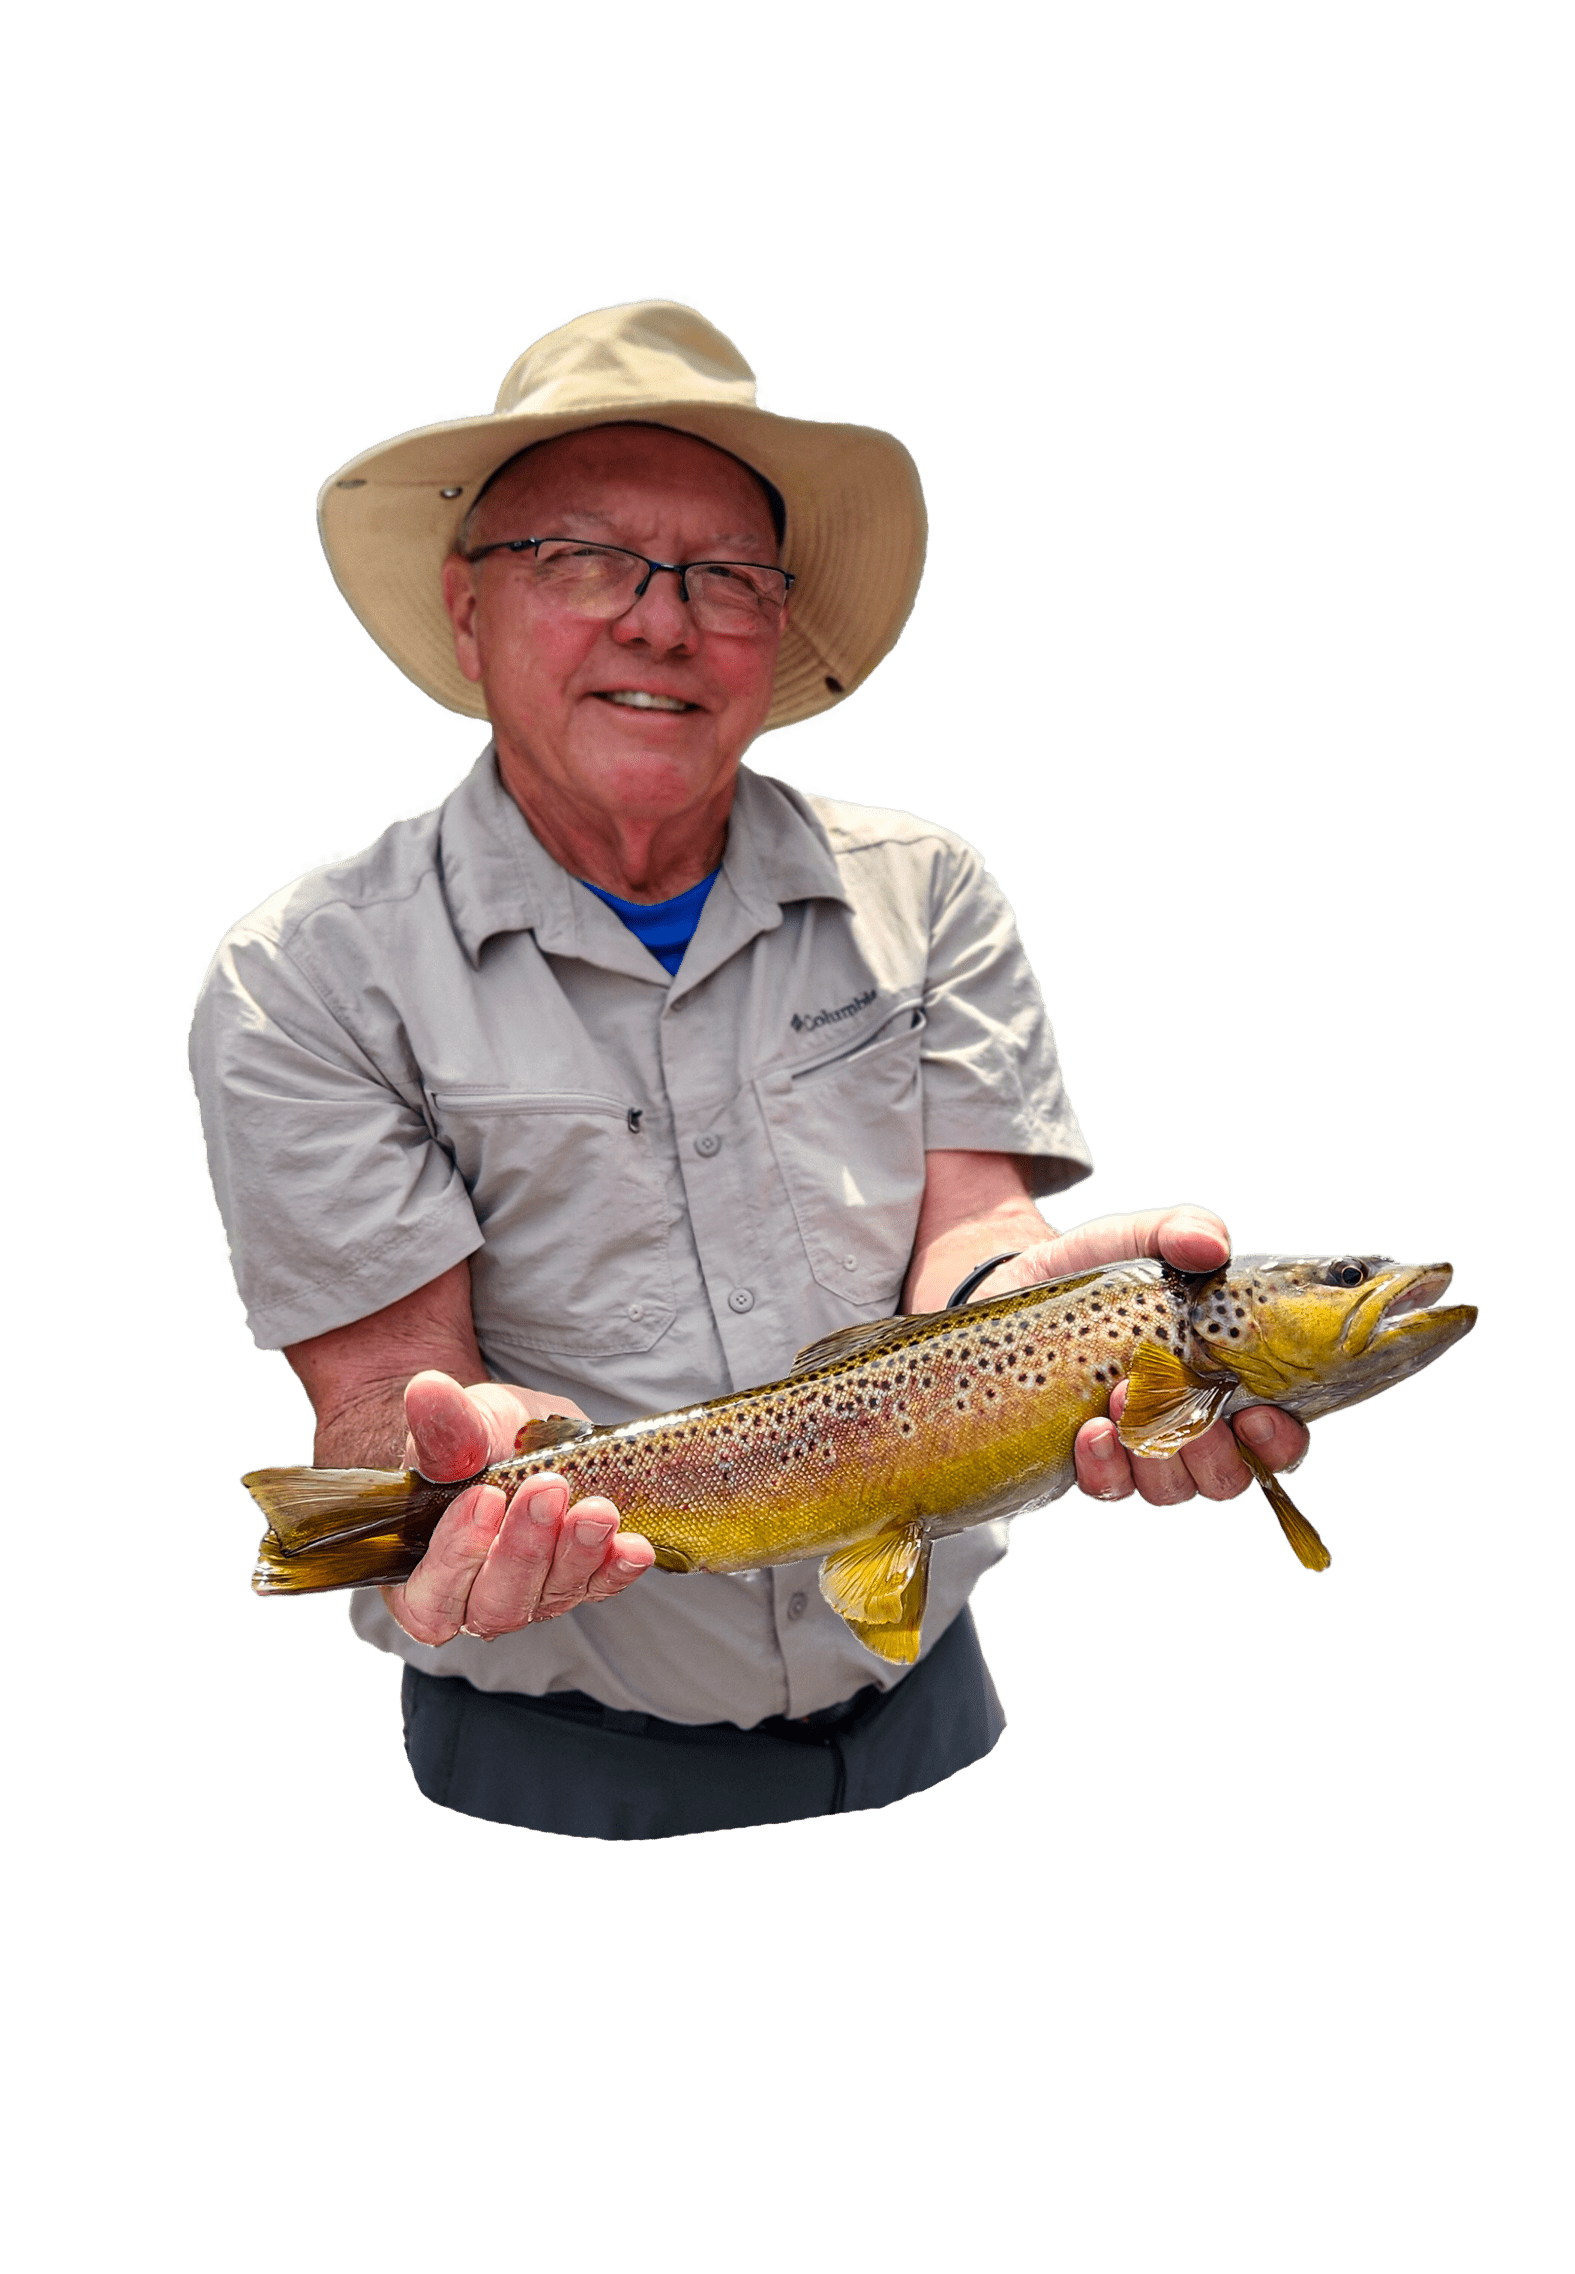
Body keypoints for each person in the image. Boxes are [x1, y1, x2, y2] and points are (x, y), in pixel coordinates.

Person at [188, 297, 1308, 1840]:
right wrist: (467, 1455)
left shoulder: (931, 888)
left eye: (725, 575)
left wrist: (1060, 1321)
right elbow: (381, 1389)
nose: (661, 619)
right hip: (542, 1777)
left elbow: (968, 1247)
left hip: (936, 1720)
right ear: (468, 611)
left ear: (777, 628)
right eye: (584, 558)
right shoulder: (301, 974)